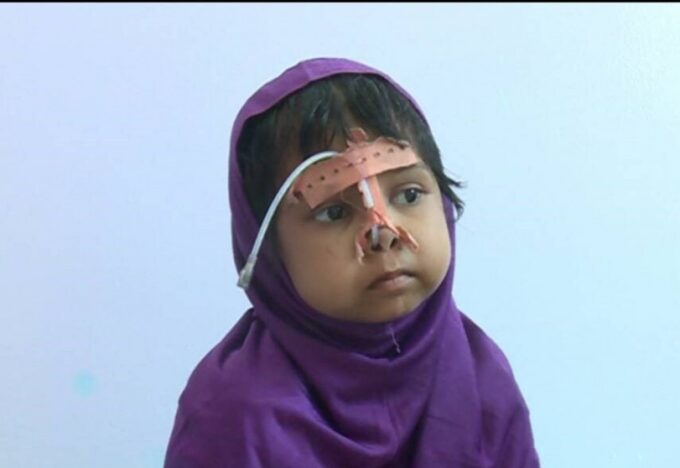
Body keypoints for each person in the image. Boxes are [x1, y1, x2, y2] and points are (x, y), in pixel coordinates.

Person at [164, 57, 540, 467]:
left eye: (409, 194)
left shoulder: (481, 375)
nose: (383, 233)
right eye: (334, 212)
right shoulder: (232, 415)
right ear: (267, 253)